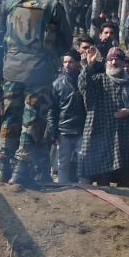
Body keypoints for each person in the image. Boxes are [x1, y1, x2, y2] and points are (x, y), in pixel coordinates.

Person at [0, 0, 72, 185]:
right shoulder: (52, 7)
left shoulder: (7, 5)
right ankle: (21, 171)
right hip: (39, 74)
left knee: (10, 118)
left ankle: (3, 169)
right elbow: (66, 41)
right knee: (32, 120)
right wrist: (49, 56)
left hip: (12, 72)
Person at [78, 46, 129, 188]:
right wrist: (89, 65)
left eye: (117, 59)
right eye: (111, 60)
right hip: (101, 130)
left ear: (123, 62)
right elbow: (83, 85)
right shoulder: (98, 79)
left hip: (123, 133)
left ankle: (124, 197)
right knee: (102, 173)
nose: (114, 63)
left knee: (125, 170)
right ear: (106, 62)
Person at [48, 51, 85, 184]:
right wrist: (53, 131)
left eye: (71, 62)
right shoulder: (57, 84)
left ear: (78, 63)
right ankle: (62, 190)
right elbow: (52, 110)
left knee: (83, 164)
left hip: (82, 130)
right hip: (64, 131)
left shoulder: (84, 82)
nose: (67, 65)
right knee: (63, 164)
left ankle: (86, 191)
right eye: (65, 62)